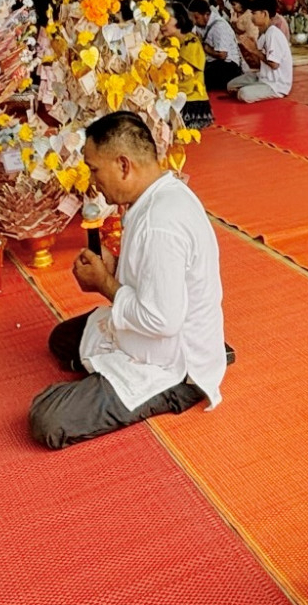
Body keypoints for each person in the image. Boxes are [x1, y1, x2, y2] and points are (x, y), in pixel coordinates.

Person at [29, 112, 228, 449]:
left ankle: (180, 389)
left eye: (95, 170)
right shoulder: (159, 194)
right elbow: (152, 275)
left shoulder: (160, 221)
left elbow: (162, 321)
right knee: (61, 340)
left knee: (46, 419)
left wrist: (104, 283)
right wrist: (116, 266)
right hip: (155, 326)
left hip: (171, 360)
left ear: (123, 166)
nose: (93, 181)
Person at [226, 0, 294, 102]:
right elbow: (258, 65)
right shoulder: (263, 34)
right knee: (231, 85)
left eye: (254, 13)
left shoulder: (273, 33)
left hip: (276, 84)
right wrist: (247, 51)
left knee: (243, 94)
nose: (251, 16)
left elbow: (274, 65)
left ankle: (255, 89)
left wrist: (254, 50)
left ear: (264, 14)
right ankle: (255, 88)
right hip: (263, 76)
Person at [196, 0, 242, 92]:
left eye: (196, 18)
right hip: (213, 62)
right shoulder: (202, 24)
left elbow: (222, 55)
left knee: (200, 80)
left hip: (228, 66)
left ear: (206, 15)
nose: (195, 21)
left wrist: (204, 46)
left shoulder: (219, 26)